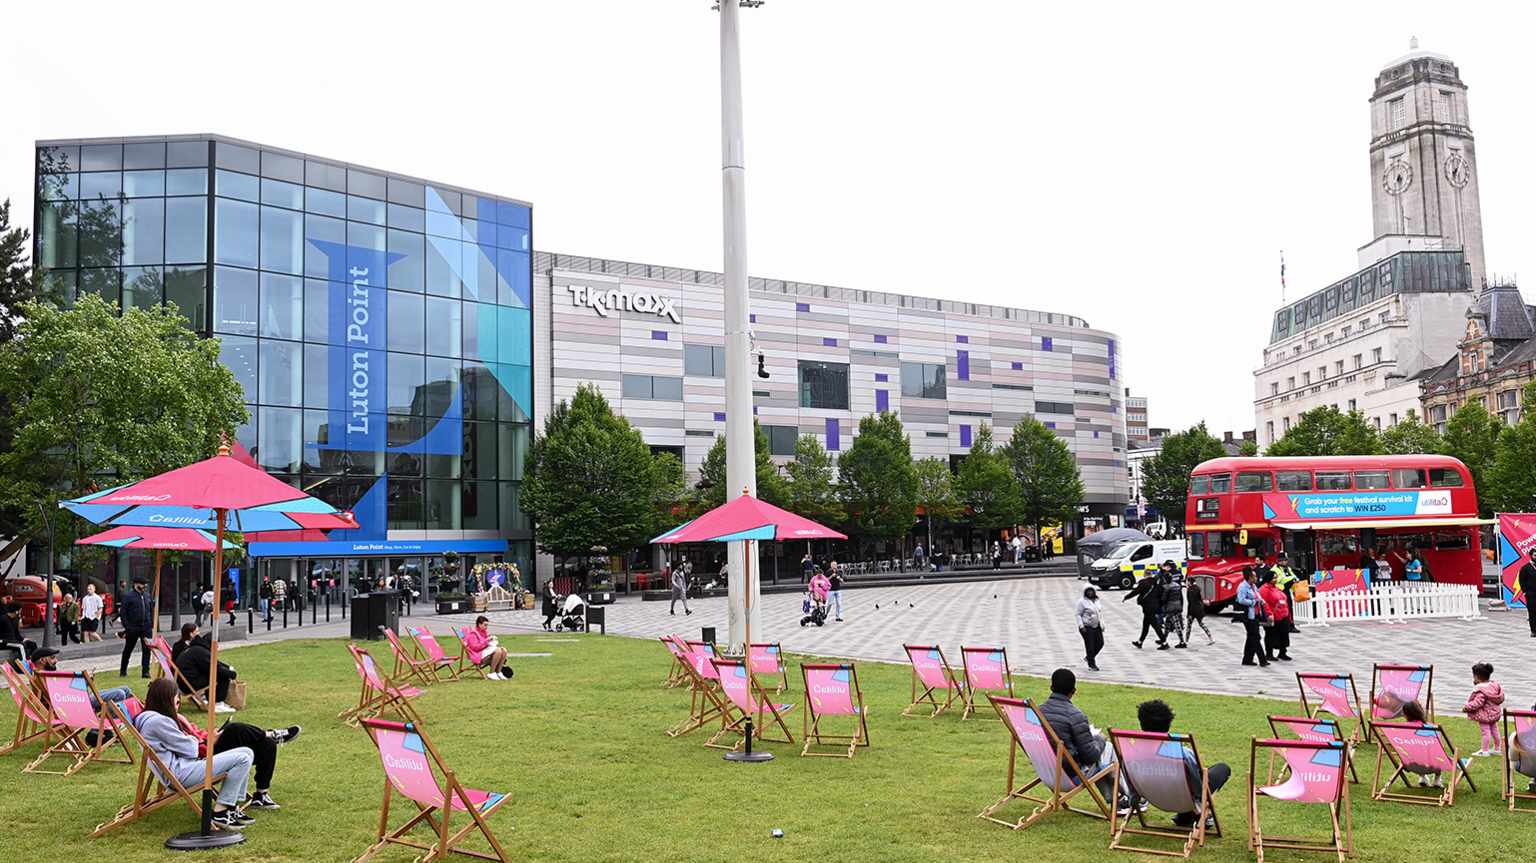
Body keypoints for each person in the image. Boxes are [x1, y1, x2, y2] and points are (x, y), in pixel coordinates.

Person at [134, 677, 257, 828]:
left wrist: (189, 738)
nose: (177, 707)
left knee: (247, 752)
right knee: (242, 759)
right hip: (181, 775)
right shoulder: (158, 722)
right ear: (165, 700)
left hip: (183, 769)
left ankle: (231, 808)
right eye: (176, 702)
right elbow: (191, 750)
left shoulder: (152, 718)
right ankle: (220, 813)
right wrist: (193, 738)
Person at [1038, 668, 1132, 812]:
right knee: (1107, 748)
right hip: (1068, 777)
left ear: (1051, 687)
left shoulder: (1037, 712)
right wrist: (1100, 738)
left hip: (1044, 771)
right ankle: (1132, 797)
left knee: (1101, 756)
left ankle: (1118, 800)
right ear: (1074, 690)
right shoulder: (1076, 715)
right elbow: (1090, 756)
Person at [1136, 699, 1229, 829]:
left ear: (1142, 725)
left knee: (1181, 784)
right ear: (1168, 726)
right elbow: (1199, 787)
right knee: (1222, 769)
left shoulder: (1131, 751)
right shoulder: (1182, 753)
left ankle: (1186, 815)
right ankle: (1197, 814)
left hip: (1151, 795)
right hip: (1182, 796)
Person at [29, 646, 134, 712]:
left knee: (126, 689)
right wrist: (83, 682)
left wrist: (84, 682)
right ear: (42, 660)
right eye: (52, 658)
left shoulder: (43, 675)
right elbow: (60, 696)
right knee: (119, 694)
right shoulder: (43, 677)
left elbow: (65, 690)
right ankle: (99, 732)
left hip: (76, 700)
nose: (56, 660)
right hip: (74, 704)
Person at [176, 632, 239, 714]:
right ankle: (217, 704)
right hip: (188, 685)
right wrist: (232, 674)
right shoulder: (201, 652)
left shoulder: (196, 649)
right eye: (216, 647)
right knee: (222, 675)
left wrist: (228, 668)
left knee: (215, 673)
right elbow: (216, 669)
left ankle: (214, 703)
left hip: (183, 682)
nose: (216, 649)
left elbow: (214, 663)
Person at [1463, 662, 1505, 757]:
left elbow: (1478, 703)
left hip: (1484, 715)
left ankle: (1484, 750)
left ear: (1477, 677)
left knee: (1486, 732)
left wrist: (1467, 707)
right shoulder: (1494, 686)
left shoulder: (1481, 691)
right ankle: (1497, 748)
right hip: (1494, 714)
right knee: (1495, 730)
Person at [1400, 700, 1445, 788]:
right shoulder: (1432, 728)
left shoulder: (1402, 729)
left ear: (1405, 715)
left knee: (1416, 753)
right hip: (1433, 764)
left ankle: (1423, 777)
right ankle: (1437, 778)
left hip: (1411, 764)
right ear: (1421, 712)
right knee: (1437, 754)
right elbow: (1438, 749)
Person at [119, 574, 155, 679]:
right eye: (142, 584)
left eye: (145, 584)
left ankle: (145, 671)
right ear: (136, 584)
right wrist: (127, 625)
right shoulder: (128, 596)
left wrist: (151, 622)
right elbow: (123, 612)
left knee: (147, 649)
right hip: (133, 626)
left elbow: (150, 609)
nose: (145, 586)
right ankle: (123, 670)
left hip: (146, 626)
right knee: (128, 648)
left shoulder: (147, 596)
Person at [1235, 566, 1269, 667]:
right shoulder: (1242, 587)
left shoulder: (1254, 586)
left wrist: (1261, 600)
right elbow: (1241, 600)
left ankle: (1247, 659)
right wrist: (1253, 602)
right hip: (1248, 616)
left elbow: (1258, 596)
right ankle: (1262, 659)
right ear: (1250, 578)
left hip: (1256, 614)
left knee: (1251, 637)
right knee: (1255, 637)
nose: (1257, 578)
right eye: (1255, 577)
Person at [1123, 573, 1165, 650]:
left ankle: (1164, 642)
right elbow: (1160, 595)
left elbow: (1136, 591)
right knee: (1145, 625)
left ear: (1144, 575)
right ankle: (1140, 642)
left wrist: (1126, 597)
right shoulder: (1157, 583)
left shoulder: (1144, 583)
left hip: (1148, 607)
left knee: (1155, 625)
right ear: (1151, 574)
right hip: (1155, 606)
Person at [463, 616, 510, 680]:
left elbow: (484, 643)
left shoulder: (484, 632)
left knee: (504, 650)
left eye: (487, 625)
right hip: (476, 654)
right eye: (485, 625)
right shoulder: (473, 634)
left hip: (483, 651)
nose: (487, 627)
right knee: (498, 651)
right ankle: (491, 672)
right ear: (479, 624)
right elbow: (475, 648)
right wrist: (487, 641)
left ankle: (498, 671)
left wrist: (491, 641)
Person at [1258, 571, 1292, 661]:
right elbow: (1264, 603)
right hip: (1274, 615)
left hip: (1283, 614)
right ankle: (1269, 654)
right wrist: (1269, 614)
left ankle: (1282, 652)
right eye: (1274, 578)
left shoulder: (1276, 588)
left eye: (1276, 578)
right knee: (1271, 635)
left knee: (1284, 633)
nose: (1276, 580)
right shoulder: (1264, 589)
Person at [1159, 565, 1187, 649]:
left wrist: (1159, 603)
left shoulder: (1166, 587)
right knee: (1167, 624)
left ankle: (1182, 642)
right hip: (1177, 605)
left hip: (1170, 607)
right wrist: (1181, 606)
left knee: (1176, 625)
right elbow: (1181, 597)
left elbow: (1164, 598)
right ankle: (1164, 640)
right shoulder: (1177, 586)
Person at [1076, 587, 1104, 671]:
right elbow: (1078, 614)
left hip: (1097, 625)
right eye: (1088, 591)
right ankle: (1092, 664)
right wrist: (1081, 626)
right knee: (1090, 645)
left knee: (1100, 643)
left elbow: (1098, 612)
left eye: (1092, 591)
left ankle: (1089, 657)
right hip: (1087, 626)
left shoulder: (1097, 600)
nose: (1090, 592)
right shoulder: (1081, 602)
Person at [1184, 576, 1213, 645]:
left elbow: (1191, 603)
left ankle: (1186, 640)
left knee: (1189, 625)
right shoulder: (1197, 588)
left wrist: (1189, 613)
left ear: (1190, 582)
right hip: (1199, 608)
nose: (1186, 582)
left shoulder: (1190, 591)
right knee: (1201, 624)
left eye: (1187, 581)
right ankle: (1211, 637)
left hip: (1194, 610)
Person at [1522, 550, 1536, 638]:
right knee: (1533, 612)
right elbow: (1522, 580)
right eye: (1535, 555)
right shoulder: (1526, 568)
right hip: (1531, 593)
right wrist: (1525, 591)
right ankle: (1534, 630)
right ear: (1530, 556)